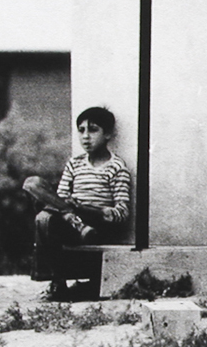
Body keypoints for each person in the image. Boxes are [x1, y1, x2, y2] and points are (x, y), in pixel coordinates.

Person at [23, 106, 131, 299]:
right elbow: (61, 197)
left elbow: (122, 212)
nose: (86, 137)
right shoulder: (75, 164)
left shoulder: (117, 168)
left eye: (93, 130)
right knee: (34, 189)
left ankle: (58, 279)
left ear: (107, 134)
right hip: (73, 222)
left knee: (47, 212)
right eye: (81, 130)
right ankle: (60, 281)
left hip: (95, 223)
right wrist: (68, 208)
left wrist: (98, 211)